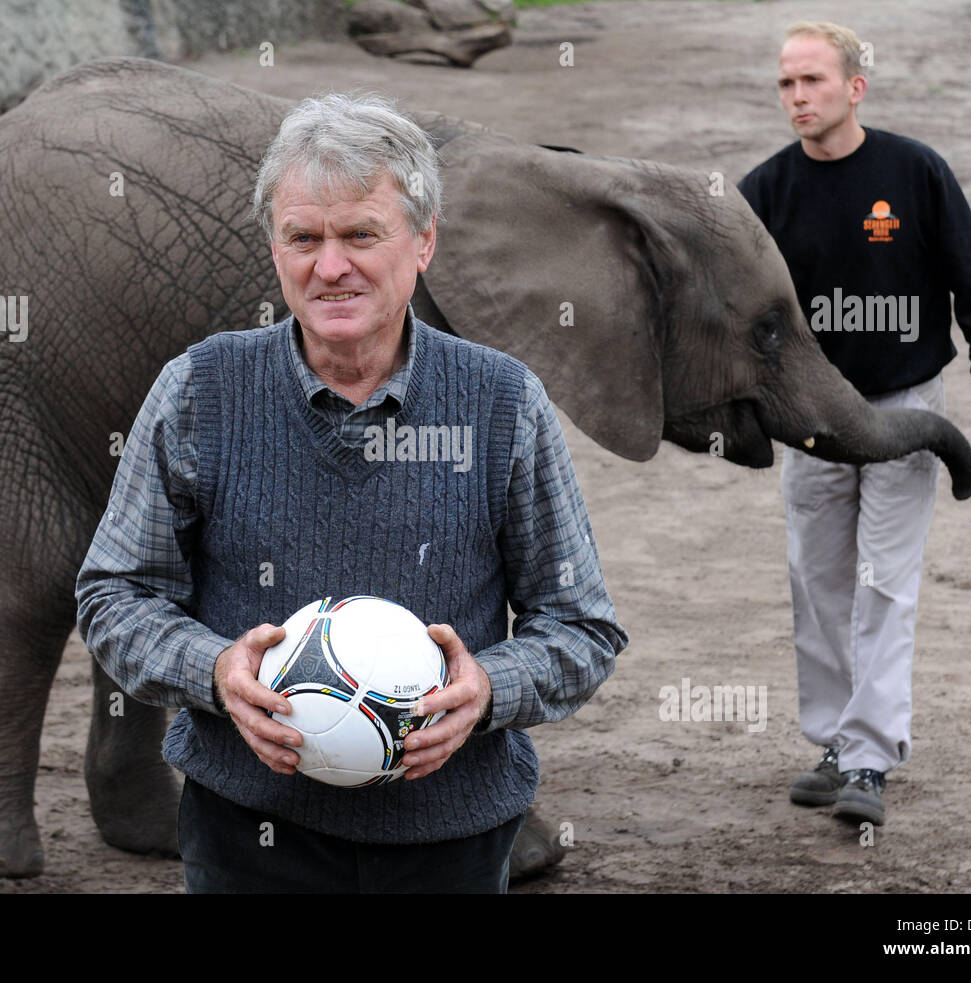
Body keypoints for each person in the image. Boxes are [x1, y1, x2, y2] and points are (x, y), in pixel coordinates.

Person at [75, 91, 628, 892]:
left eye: (361, 235)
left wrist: (489, 689)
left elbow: (581, 626)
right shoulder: (200, 390)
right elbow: (114, 593)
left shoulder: (504, 402)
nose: (329, 266)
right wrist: (215, 670)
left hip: (452, 840)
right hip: (247, 838)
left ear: (425, 241)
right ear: (275, 250)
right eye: (304, 237)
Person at [738, 21, 971, 827]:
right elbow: (733, 307)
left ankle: (868, 758)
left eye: (813, 82)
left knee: (884, 584)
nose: (797, 97)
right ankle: (832, 743)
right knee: (817, 581)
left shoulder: (915, 171)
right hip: (811, 416)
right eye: (787, 84)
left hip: (903, 411)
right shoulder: (764, 191)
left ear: (855, 88)